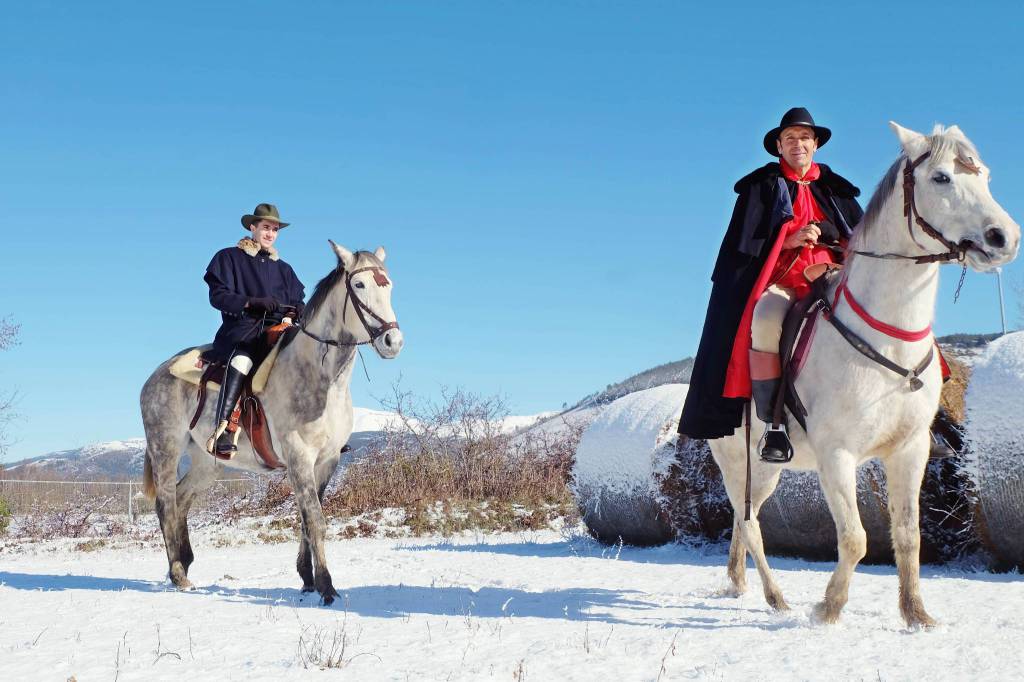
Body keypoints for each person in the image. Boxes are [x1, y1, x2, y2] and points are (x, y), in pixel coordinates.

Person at [677, 108, 864, 461]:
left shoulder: (836, 189)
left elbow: (861, 236)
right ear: (779, 146)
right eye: (790, 138)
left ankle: (922, 413)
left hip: (833, 278)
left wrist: (828, 233)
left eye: (805, 138)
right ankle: (775, 424)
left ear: (816, 144)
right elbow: (742, 251)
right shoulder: (759, 188)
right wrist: (788, 239)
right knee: (764, 322)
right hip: (784, 282)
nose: (798, 144)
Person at [203, 203, 306, 457]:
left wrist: (296, 311)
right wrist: (250, 302)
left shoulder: (285, 270)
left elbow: (298, 300)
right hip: (243, 330)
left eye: (275, 229)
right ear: (253, 227)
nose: (270, 233)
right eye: (266, 227)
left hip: (280, 331)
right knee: (242, 360)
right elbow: (218, 296)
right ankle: (224, 428)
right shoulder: (228, 258)